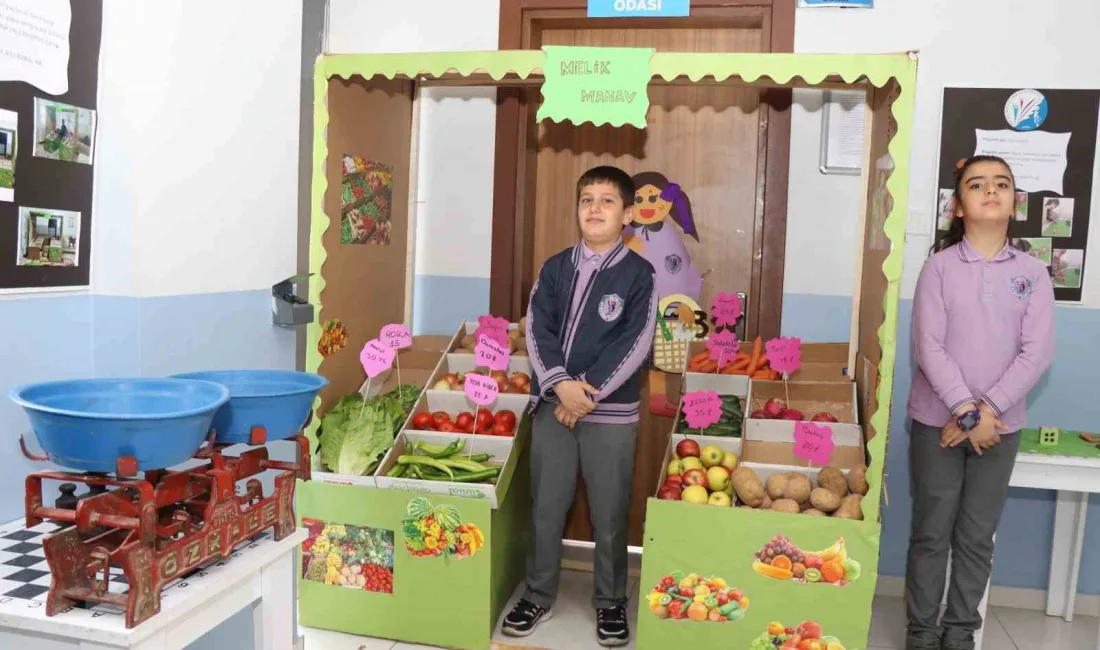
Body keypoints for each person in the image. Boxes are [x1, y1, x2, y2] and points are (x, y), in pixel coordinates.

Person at [502, 166, 657, 647]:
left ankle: (610, 601)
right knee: (546, 507)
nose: (594, 208)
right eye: (587, 199)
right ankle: (538, 594)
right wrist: (559, 385)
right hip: (554, 408)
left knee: (609, 513)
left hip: (609, 416)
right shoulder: (554, 268)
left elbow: (635, 342)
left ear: (627, 215)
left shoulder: (639, 274)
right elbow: (536, 329)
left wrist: (584, 393)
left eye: (607, 200)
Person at [905, 155, 1055, 650]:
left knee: (975, 536)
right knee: (932, 532)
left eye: (1001, 184)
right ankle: (921, 632)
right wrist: (966, 412)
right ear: (957, 205)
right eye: (977, 185)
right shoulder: (938, 268)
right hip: (937, 423)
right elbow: (929, 347)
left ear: (1015, 203)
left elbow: (1037, 353)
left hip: (999, 429)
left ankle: (959, 633)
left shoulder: (1034, 273)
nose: (991, 191)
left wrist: (985, 412)